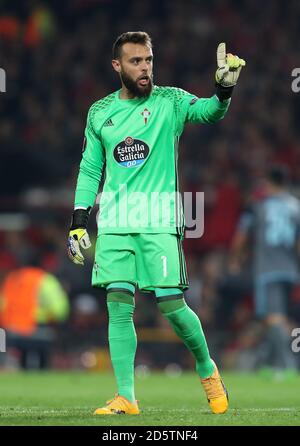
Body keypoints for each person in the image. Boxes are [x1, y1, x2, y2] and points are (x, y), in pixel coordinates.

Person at [67, 31, 245, 415]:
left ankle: (206, 368)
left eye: (148, 60)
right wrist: (80, 219)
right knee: (118, 305)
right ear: (118, 66)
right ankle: (127, 396)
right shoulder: (100, 112)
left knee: (171, 306)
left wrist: (224, 89)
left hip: (159, 220)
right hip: (114, 222)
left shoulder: (171, 101)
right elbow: (90, 168)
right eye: (136, 62)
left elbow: (209, 111)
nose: (145, 68)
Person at [230, 166, 300, 378]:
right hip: (290, 270)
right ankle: (273, 362)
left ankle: (286, 367)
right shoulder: (295, 206)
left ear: (269, 183)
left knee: (273, 318)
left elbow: (241, 235)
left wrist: (235, 258)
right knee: (281, 318)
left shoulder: (258, 206)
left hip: (267, 269)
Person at [0, 266, 69, 369]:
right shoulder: (45, 280)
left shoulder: (12, 278)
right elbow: (60, 311)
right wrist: (43, 315)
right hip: (37, 328)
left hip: (11, 332)